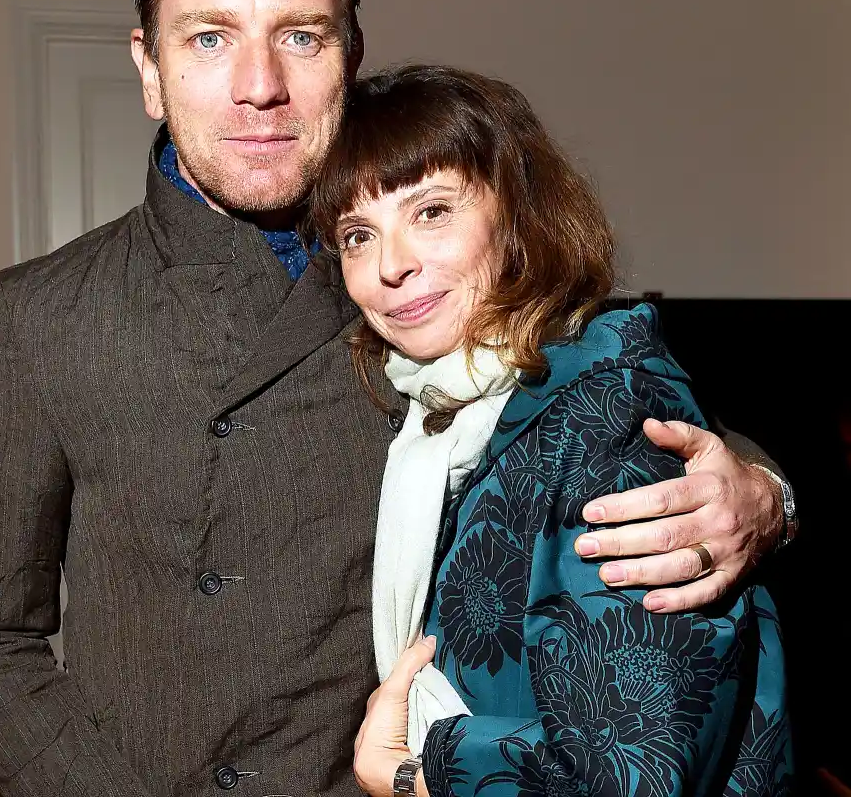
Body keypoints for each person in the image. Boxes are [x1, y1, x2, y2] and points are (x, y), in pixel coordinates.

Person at [0, 0, 792, 797]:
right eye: (210, 37)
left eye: (301, 36)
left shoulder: (429, 279)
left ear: (350, 56)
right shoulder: (39, 316)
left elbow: (600, 403)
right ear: (149, 68)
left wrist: (766, 496)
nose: (260, 86)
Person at [314, 65, 792, 797]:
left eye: (432, 212)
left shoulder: (607, 419)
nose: (391, 266)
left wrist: (420, 774)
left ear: (516, 218)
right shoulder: (448, 415)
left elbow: (635, 774)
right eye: (357, 235)